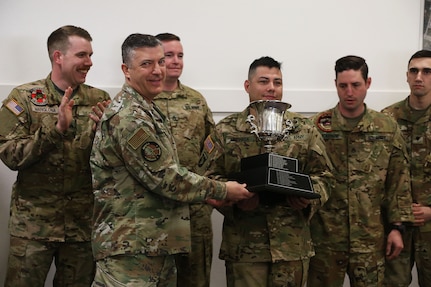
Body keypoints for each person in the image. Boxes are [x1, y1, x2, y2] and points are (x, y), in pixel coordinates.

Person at [90, 33, 253, 287]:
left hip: (154, 244)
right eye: (146, 64)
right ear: (126, 70)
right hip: (131, 251)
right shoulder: (130, 117)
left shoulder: (147, 108)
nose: (157, 71)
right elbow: (166, 177)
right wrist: (223, 189)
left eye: (160, 62)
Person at [198, 56, 333, 287]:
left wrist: (308, 198)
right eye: (264, 81)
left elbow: (326, 177)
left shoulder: (303, 129)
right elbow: (206, 179)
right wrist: (234, 200)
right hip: (245, 248)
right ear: (247, 86)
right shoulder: (226, 131)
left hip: (291, 247)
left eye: (277, 82)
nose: (271, 87)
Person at [0, 25, 111, 286]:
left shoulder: (100, 100)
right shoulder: (24, 98)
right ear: (58, 56)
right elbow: (10, 156)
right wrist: (56, 129)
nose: (89, 63)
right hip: (33, 226)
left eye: (91, 55)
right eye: (82, 55)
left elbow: (110, 165)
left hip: (81, 226)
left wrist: (104, 135)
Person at [307, 55, 414, 287]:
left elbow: (398, 181)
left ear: (368, 83)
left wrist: (397, 227)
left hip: (370, 240)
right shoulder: (316, 127)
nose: (349, 92)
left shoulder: (386, 128)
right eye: (342, 85)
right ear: (335, 84)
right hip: (325, 239)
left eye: (356, 85)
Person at [153, 32, 216, 287]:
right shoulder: (144, 99)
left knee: (195, 277)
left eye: (180, 55)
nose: (176, 61)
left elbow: (213, 148)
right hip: (155, 209)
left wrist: (209, 189)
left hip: (195, 208)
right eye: (169, 56)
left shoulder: (195, 100)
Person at [381, 49, 431, 287]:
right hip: (396, 227)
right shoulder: (387, 119)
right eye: (414, 71)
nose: (419, 76)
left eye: (427, 71)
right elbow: (378, 175)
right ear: (407, 76)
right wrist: (394, 218)